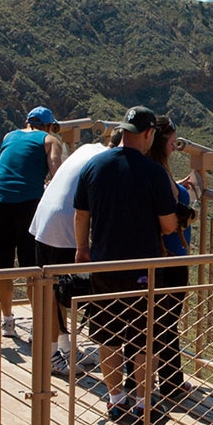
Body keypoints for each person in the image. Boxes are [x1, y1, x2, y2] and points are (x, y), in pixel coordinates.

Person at [73, 107, 177, 423]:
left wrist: (82, 250)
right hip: (143, 271)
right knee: (145, 338)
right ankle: (144, 403)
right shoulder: (154, 173)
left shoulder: (94, 165)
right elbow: (169, 225)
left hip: (103, 265)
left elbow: (81, 214)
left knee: (108, 336)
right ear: (148, 134)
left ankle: (116, 398)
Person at [28, 130, 121, 376]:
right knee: (59, 292)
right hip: (65, 228)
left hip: (44, 219)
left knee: (51, 290)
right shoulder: (109, 163)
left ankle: (64, 348)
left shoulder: (88, 148)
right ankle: (50, 356)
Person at [0, 106, 63, 341]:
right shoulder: (50, 140)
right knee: (33, 268)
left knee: (2, 266)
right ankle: (39, 324)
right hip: (29, 204)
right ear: (50, 126)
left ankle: (7, 320)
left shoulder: (8, 136)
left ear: (26, 122)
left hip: (0, 201)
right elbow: (57, 174)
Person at [146, 116, 196, 400]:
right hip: (170, 257)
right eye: (172, 142)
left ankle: (163, 381)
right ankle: (170, 383)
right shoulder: (157, 172)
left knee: (159, 320)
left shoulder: (153, 171)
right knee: (166, 321)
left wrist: (178, 186)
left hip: (161, 255)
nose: (175, 148)